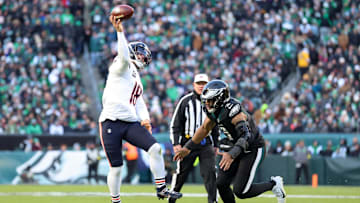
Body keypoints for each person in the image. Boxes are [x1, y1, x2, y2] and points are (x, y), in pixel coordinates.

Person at [98, 15, 182, 203]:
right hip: (111, 121)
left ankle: (161, 188)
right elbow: (122, 53)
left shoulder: (135, 76)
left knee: (155, 149)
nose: (143, 56)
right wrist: (120, 32)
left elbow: (138, 101)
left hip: (129, 122)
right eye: (140, 52)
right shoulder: (120, 66)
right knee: (117, 168)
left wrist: (145, 119)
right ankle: (116, 200)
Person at [174, 80, 286, 203]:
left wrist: (232, 154)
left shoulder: (234, 111)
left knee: (241, 191)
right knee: (221, 184)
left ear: (220, 99)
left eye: (210, 100)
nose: (207, 103)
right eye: (206, 100)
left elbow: (246, 136)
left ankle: (273, 184)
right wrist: (188, 147)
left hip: (252, 148)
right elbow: (205, 128)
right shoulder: (213, 110)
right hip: (235, 145)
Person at [169, 74, 219, 203]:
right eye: (199, 83)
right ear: (194, 85)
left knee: (210, 173)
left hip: (205, 144)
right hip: (187, 142)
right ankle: (172, 198)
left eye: (204, 83)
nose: (201, 86)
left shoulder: (213, 102)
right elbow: (175, 125)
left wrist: (216, 144)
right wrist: (176, 143)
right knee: (181, 174)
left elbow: (215, 126)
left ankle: (213, 201)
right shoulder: (185, 101)